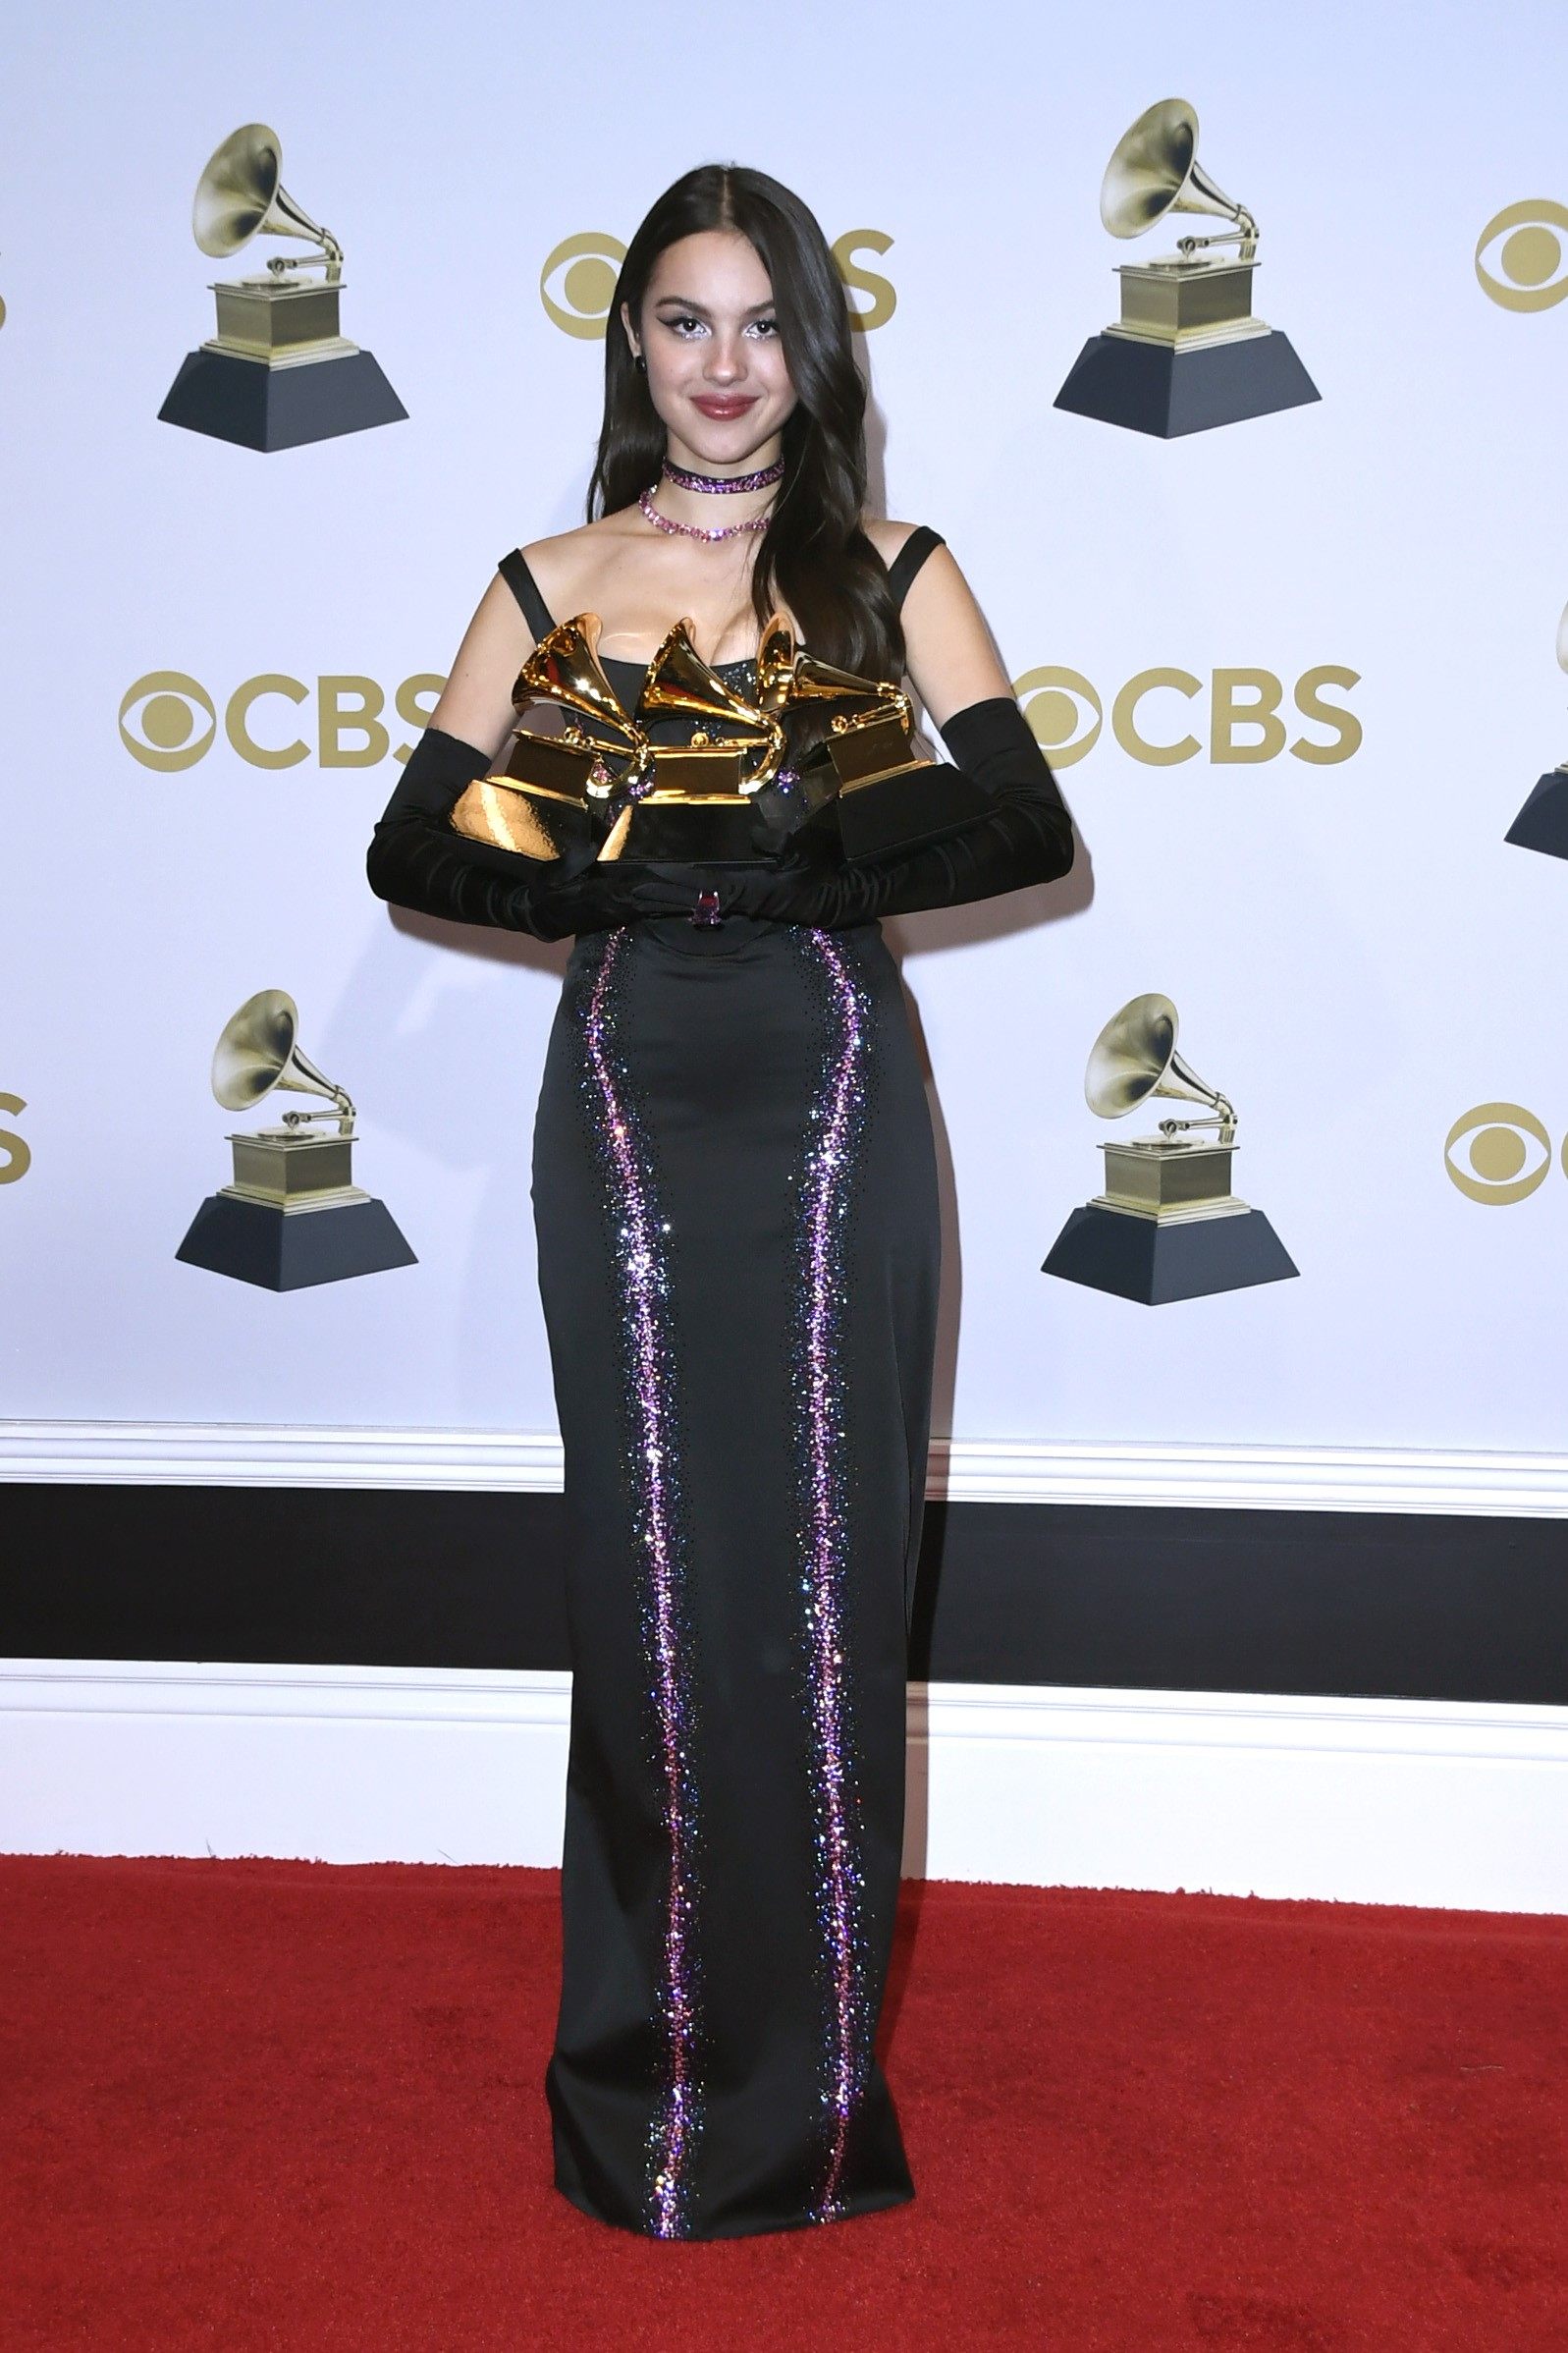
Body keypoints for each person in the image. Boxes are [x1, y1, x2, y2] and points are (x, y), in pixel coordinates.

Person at [366, 161, 1075, 2242]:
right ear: (633, 344)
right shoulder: (543, 579)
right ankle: (646, 2083)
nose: (725, 366)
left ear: (812, 349)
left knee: (828, 1578)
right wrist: (629, 877)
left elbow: (1021, 823)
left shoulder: (889, 571)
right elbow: (425, 854)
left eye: (762, 324)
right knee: (650, 1573)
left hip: (833, 1084)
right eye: (685, 321)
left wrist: (796, 872)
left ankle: (811, 2102)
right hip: (622, 1093)